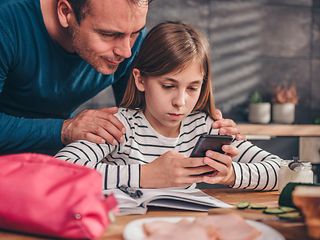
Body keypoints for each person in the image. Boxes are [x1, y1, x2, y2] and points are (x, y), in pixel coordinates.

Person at [55, 22, 281, 190]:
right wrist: (144, 175)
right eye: (168, 85)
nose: (180, 102)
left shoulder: (205, 127)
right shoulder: (118, 126)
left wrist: (230, 174)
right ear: (140, 80)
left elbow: (287, 173)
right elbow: (59, 172)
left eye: (192, 88)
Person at [0, 0, 240, 155]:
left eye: (135, 33)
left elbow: (142, 117)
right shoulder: (6, 23)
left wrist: (202, 126)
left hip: (53, 163)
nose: (126, 52)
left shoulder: (129, 45)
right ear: (66, 12)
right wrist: (65, 129)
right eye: (108, 34)